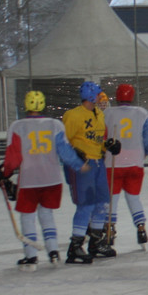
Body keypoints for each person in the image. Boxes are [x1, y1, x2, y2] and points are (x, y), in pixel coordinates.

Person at [0, 90, 84, 269]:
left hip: (29, 180)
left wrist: (5, 174)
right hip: (52, 179)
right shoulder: (55, 124)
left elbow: (13, 158)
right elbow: (65, 152)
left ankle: (31, 256)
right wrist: (79, 165)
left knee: (27, 217)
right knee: (47, 215)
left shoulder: (17, 126)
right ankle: (53, 251)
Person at [62, 81, 122, 263]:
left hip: (98, 163)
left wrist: (108, 145)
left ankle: (95, 243)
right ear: (90, 96)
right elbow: (63, 141)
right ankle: (75, 246)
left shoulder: (99, 115)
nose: (100, 98)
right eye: (97, 94)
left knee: (102, 203)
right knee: (86, 205)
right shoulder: (73, 115)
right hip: (83, 165)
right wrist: (74, 153)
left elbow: (97, 140)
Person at [104, 83, 148, 248]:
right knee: (133, 197)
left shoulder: (107, 113)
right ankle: (141, 227)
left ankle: (110, 229)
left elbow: (102, 137)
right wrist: (144, 152)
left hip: (113, 163)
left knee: (112, 198)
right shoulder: (142, 113)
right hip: (135, 162)